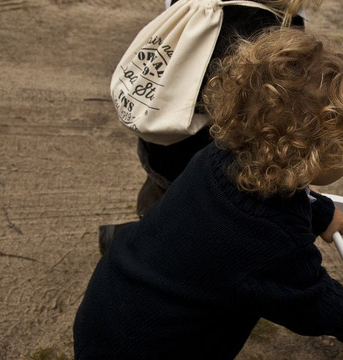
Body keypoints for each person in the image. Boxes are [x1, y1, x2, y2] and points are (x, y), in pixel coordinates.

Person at [74, 28, 343, 359]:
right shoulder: (273, 241)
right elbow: (308, 302)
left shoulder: (221, 156)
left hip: (113, 302)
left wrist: (319, 213)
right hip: (153, 347)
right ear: (313, 154)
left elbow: (277, 196)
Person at [98, 0, 319, 254]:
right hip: (209, 161)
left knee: (163, 198)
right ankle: (130, 247)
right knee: (195, 232)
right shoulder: (276, 30)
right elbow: (269, 118)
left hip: (164, 138)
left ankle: (137, 233)